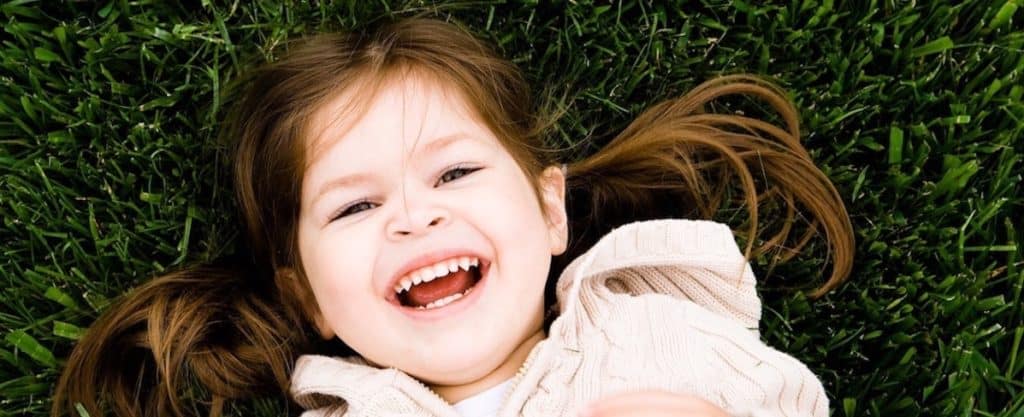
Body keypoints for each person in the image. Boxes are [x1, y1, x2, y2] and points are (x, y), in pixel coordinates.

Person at [51, 17, 854, 417]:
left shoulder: (636, 331)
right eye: (357, 205)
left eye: (456, 171)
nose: (414, 217)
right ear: (308, 300)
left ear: (548, 210)